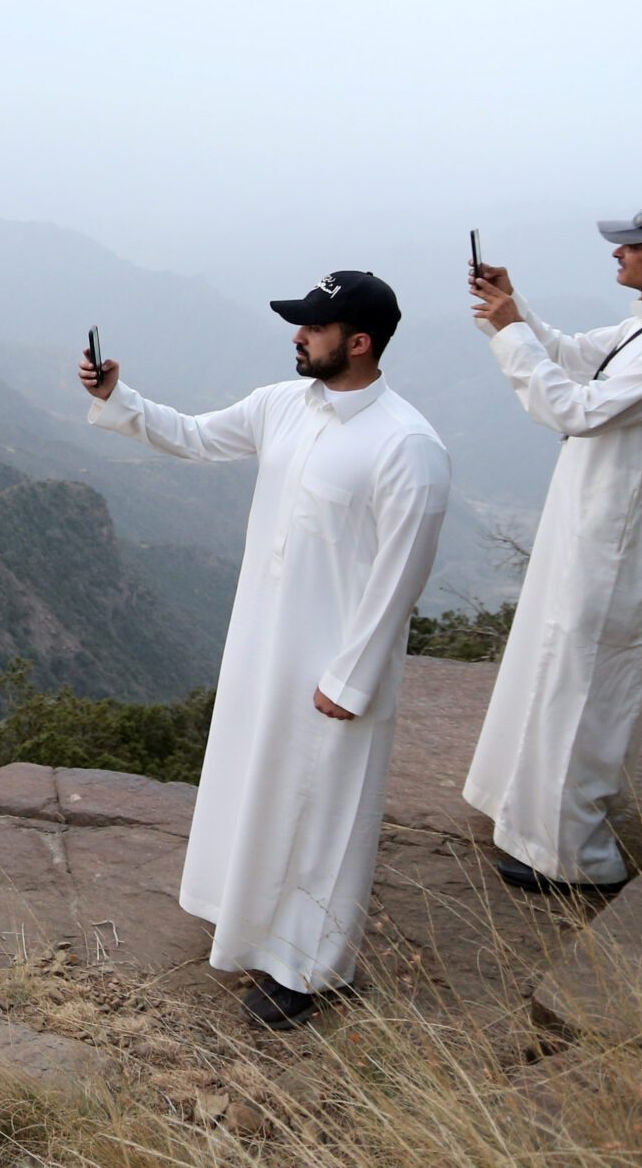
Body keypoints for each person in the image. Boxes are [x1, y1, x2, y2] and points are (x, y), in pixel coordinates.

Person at [80, 271, 449, 1028]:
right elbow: (190, 434)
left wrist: (352, 675)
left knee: (324, 812)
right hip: (263, 641)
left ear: (360, 341)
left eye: (313, 327)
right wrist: (119, 397)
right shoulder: (282, 404)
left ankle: (309, 968)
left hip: (335, 664)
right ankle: (246, 923)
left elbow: (401, 574)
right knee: (260, 785)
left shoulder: (408, 444)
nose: (297, 335)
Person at [462, 206, 642, 894]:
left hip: (625, 544)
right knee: (553, 668)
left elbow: (576, 408)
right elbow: (580, 353)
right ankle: (527, 818)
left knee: (588, 688)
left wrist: (507, 335)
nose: (618, 256)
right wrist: (515, 309)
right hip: (591, 526)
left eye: (632, 247)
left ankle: (579, 858)